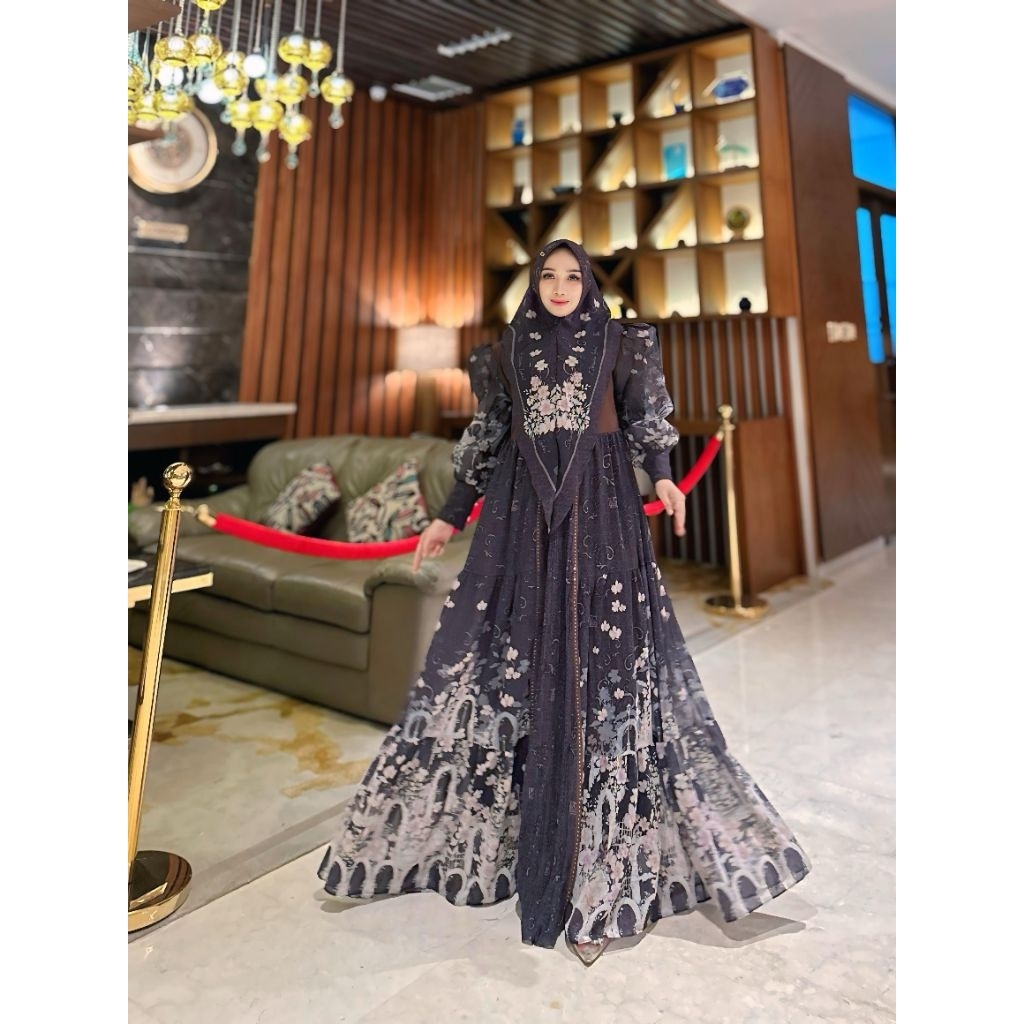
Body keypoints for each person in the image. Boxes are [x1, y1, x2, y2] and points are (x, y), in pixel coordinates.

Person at [318, 238, 810, 966]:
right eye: (546, 275)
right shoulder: (505, 352)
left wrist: (665, 479)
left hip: (603, 515)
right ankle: (511, 845)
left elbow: (645, 422)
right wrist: (448, 516)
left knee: (602, 670)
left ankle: (602, 872)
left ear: (588, 284)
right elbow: (487, 439)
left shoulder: (621, 343)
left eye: (571, 276)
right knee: (513, 667)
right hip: (520, 523)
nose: (557, 286)